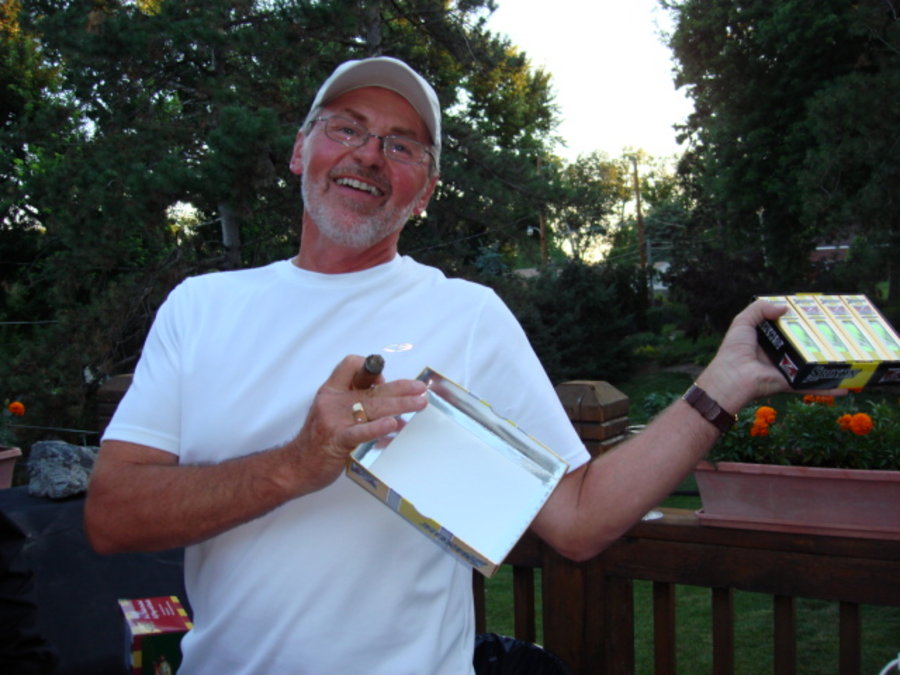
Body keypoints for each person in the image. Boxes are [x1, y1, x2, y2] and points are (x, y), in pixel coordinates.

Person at [84, 56, 838, 674]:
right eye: (346, 127)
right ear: (300, 150)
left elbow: (578, 520)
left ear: (426, 193)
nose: (369, 154)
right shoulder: (201, 306)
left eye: (402, 145)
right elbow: (112, 515)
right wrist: (295, 464)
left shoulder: (466, 315)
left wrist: (722, 384)